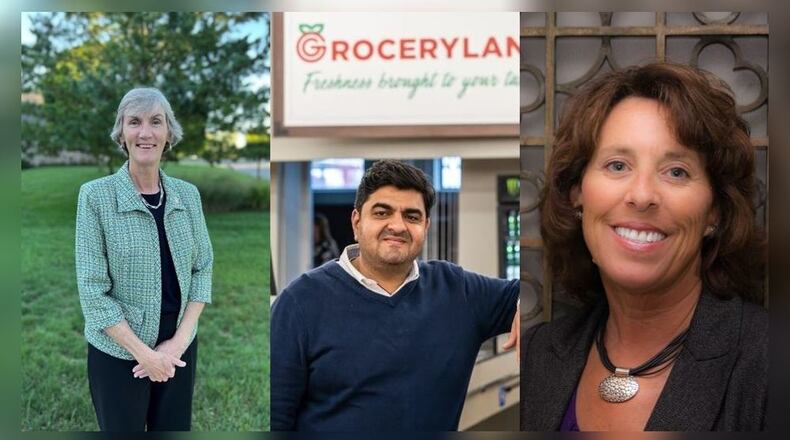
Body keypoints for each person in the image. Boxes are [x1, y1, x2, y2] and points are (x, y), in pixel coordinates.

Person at [520, 63, 767, 431]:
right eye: (617, 165)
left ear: (714, 211)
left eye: (677, 172)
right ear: (577, 194)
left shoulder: (768, 362)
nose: (642, 195)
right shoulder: (536, 356)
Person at [271, 159, 519, 431]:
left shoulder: (458, 290)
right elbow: (275, 416)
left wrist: (521, 304)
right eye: (382, 213)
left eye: (411, 216)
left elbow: (534, 291)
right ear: (356, 222)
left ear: (425, 226)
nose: (397, 226)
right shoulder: (300, 302)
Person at [75, 87, 213, 431]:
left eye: (156, 122)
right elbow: (93, 293)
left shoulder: (188, 196)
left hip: (178, 348)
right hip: (120, 353)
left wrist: (175, 347)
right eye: (134, 122)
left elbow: (203, 269)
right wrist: (146, 355)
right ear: (121, 132)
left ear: (169, 133)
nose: (145, 132)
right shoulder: (95, 196)